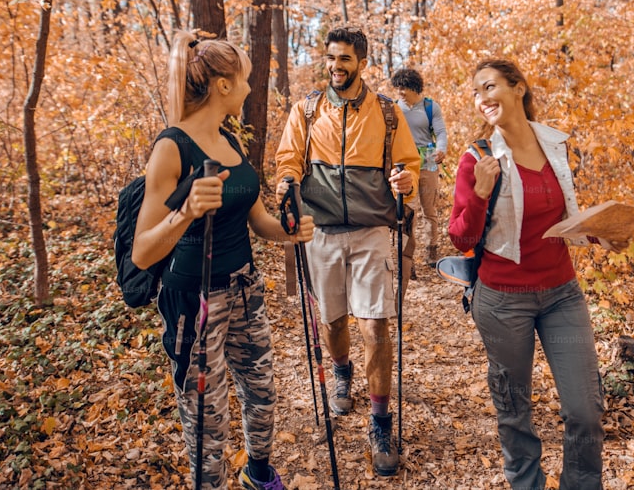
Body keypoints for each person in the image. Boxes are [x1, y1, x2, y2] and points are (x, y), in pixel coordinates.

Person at [133, 31, 314, 490]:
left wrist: (288, 232)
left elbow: (257, 221)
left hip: (244, 288)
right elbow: (143, 251)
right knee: (206, 419)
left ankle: (258, 475)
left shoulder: (230, 141)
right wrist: (187, 211)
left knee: (262, 393)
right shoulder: (171, 148)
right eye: (247, 80)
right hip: (194, 301)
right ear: (223, 86)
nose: (253, 89)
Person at [448, 59, 612, 490]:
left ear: (519, 88)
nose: (482, 99)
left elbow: (560, 219)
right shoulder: (477, 159)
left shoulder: (555, 145)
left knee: (585, 409)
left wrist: (601, 233)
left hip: (561, 294)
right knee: (515, 410)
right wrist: (481, 193)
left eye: (490, 87)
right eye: (476, 93)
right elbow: (458, 237)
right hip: (503, 301)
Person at [274, 26, 419, 477]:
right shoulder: (307, 108)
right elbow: (289, 158)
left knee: (375, 325)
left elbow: (407, 165)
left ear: (362, 63)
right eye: (331, 58)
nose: (337, 66)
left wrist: (406, 182)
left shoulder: (388, 113)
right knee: (333, 321)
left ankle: (381, 423)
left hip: (373, 229)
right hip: (322, 231)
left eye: (345, 59)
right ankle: (342, 371)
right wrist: (286, 180)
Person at [390, 67, 448, 278]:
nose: (400, 92)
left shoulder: (430, 107)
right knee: (408, 213)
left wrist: (441, 149)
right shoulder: (394, 108)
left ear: (414, 87)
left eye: (403, 88)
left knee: (429, 210)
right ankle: (407, 259)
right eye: (398, 88)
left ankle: (431, 252)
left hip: (428, 163)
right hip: (405, 165)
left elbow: (440, 132)